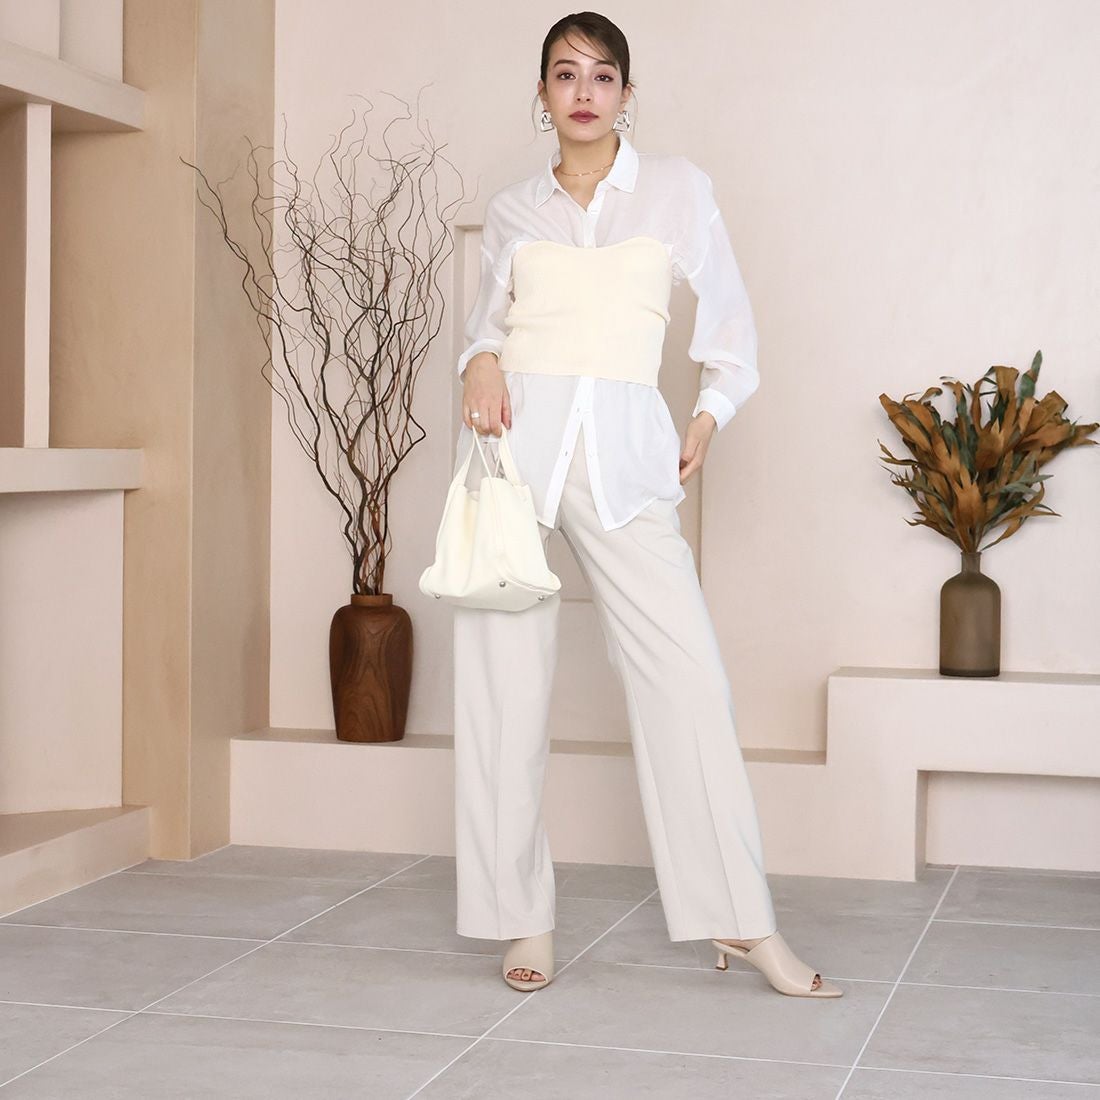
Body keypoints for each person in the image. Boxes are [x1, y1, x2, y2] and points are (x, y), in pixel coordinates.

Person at [451, 12, 841, 1000]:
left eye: (601, 75)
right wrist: (481, 361)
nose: (582, 91)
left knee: (688, 681)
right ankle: (519, 915)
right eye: (563, 74)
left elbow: (731, 323)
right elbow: (483, 328)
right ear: (541, 94)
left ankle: (740, 918)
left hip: (626, 461)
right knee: (501, 687)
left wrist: (707, 413)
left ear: (627, 93)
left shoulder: (676, 189)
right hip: (510, 454)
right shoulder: (513, 210)